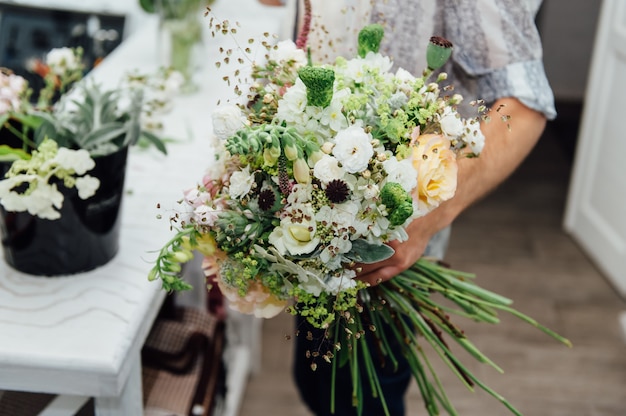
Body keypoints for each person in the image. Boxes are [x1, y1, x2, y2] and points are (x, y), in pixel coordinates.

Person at [258, 1, 555, 414]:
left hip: (388, 252)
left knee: (362, 398)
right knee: (316, 386)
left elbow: (526, 106)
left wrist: (427, 218)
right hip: (313, 230)